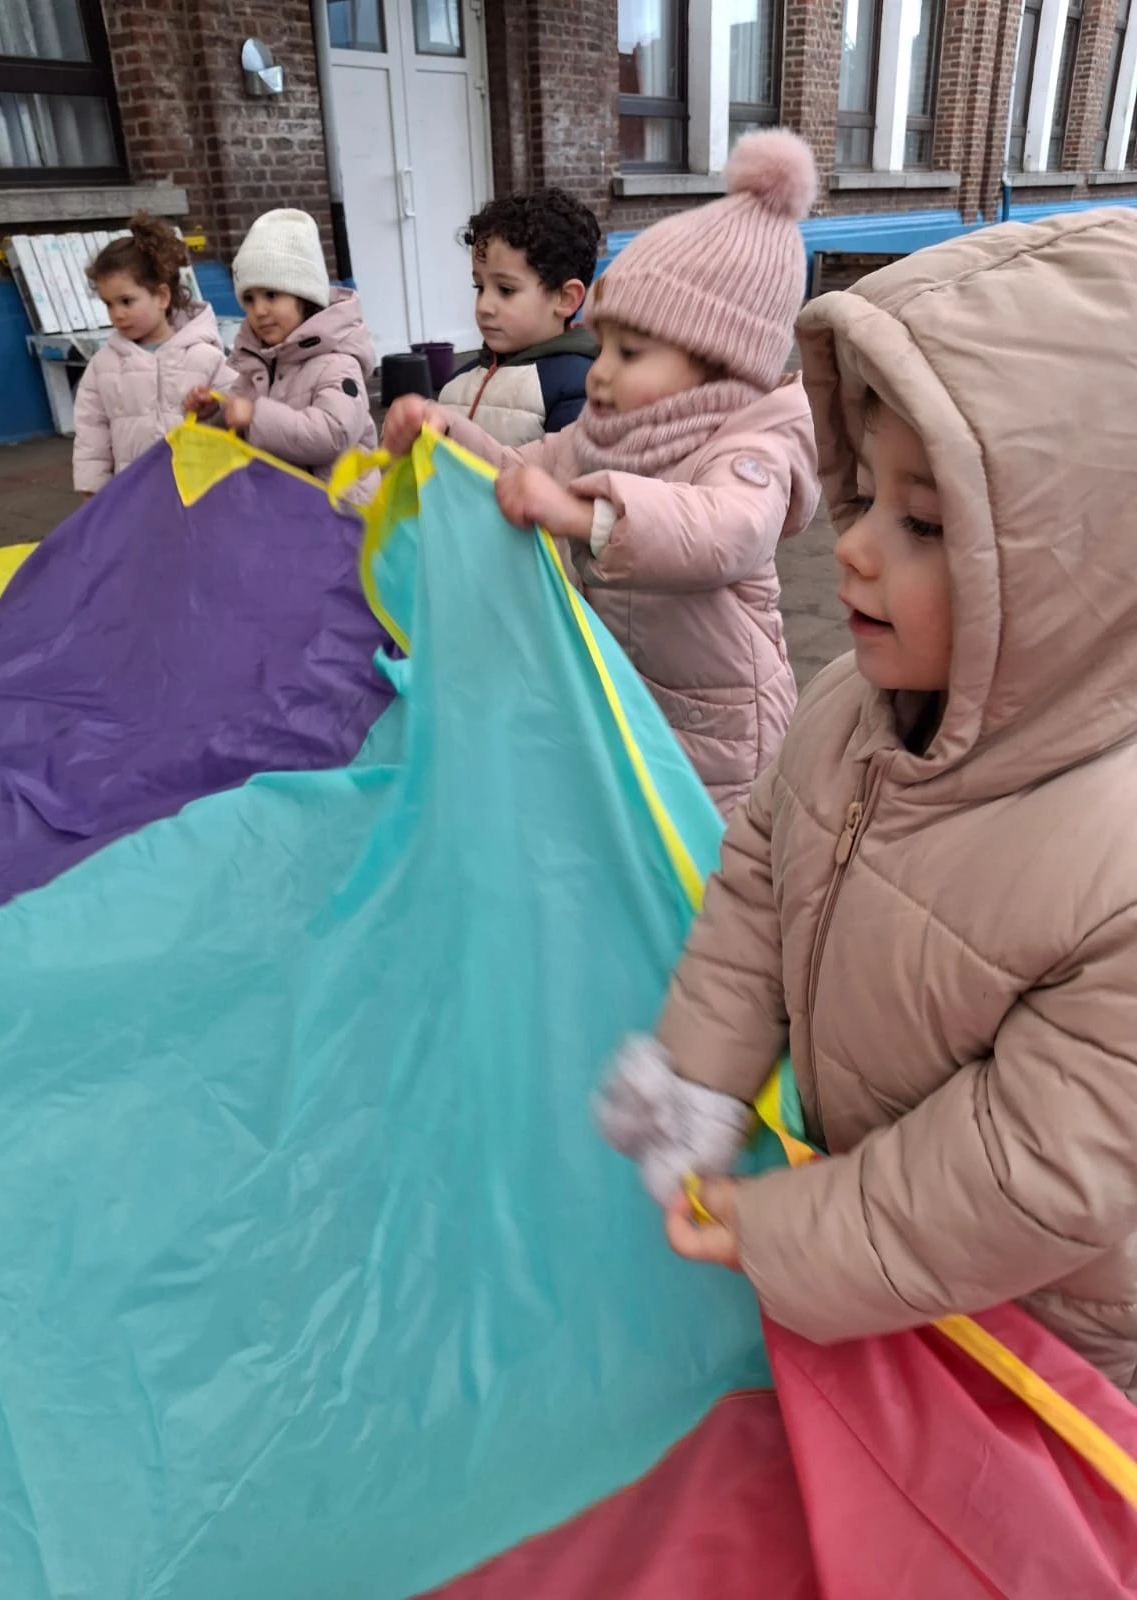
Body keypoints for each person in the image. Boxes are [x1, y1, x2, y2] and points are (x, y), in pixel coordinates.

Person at [596, 207, 1137, 1401]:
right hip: (878, 1268)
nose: (852, 548)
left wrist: (792, 1233)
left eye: (927, 524)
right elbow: (758, 882)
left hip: (1037, 1344)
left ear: (1087, 575)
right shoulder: (850, 702)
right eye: (868, 495)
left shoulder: (1116, 868)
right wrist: (699, 1070)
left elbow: (1036, 1166)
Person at [383, 131, 821, 815]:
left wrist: (588, 517)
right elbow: (522, 472)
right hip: (626, 699)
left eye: (632, 351)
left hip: (722, 735)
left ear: (721, 362)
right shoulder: (606, 432)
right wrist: (446, 440)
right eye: (605, 345)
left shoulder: (750, 446)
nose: (602, 371)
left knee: (709, 880)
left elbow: (730, 530)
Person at [186, 208, 378, 491]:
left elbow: (334, 433)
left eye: (272, 295)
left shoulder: (338, 363)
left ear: (304, 296)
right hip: (284, 512)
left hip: (338, 515)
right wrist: (213, 411)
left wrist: (255, 416)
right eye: (249, 299)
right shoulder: (257, 365)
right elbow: (235, 421)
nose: (259, 310)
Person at [73, 214, 236, 496]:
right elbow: (91, 431)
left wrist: (213, 410)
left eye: (126, 301)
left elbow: (238, 411)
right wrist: (93, 488)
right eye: (108, 304)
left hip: (195, 493)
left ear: (162, 297)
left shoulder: (203, 356)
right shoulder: (104, 366)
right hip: (133, 495)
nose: (117, 314)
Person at [438, 187, 602, 447]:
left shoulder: (581, 387)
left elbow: (565, 482)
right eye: (479, 287)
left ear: (566, 298)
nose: (484, 306)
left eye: (506, 290)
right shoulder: (457, 383)